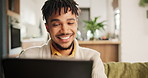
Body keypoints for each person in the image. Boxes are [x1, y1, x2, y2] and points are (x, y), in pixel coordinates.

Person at [19, 0, 107, 78]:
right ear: (47, 28)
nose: (65, 31)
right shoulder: (28, 57)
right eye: (56, 24)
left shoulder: (92, 58)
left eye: (70, 23)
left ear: (76, 24)